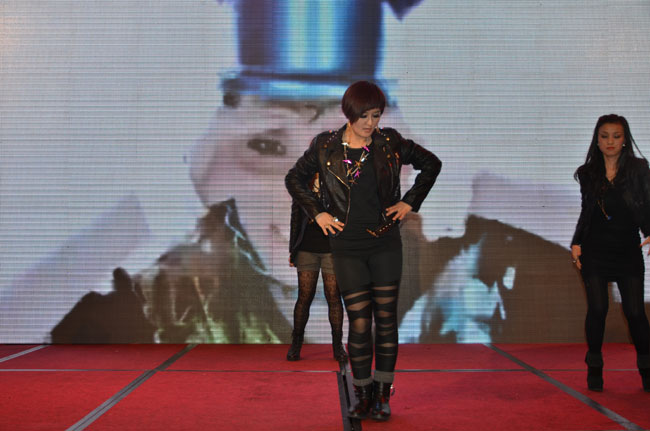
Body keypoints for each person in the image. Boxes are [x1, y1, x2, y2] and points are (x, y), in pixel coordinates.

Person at [285, 81, 441, 421]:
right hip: (347, 247)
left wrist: (409, 202)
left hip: (385, 243)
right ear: (349, 113)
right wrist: (318, 213)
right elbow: (294, 178)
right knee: (358, 322)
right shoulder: (325, 146)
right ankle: (362, 393)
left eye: (376, 115)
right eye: (364, 116)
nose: (370, 123)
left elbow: (431, 164)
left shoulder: (390, 143)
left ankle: (383, 395)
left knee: (385, 320)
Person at [571, 114, 650, 392]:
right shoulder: (588, 172)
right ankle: (594, 365)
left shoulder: (639, 168)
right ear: (597, 139)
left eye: (616, 136)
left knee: (635, 312)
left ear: (625, 139)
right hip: (595, 250)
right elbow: (587, 211)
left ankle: (647, 367)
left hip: (627, 249)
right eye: (604, 136)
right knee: (598, 308)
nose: (610, 142)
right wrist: (577, 242)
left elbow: (646, 204)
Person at [287, 173, 348, 362]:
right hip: (306, 246)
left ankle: (337, 346)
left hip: (332, 247)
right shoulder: (302, 185)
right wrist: (293, 249)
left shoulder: (338, 181)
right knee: (305, 296)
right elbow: (295, 218)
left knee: (333, 296)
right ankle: (296, 343)